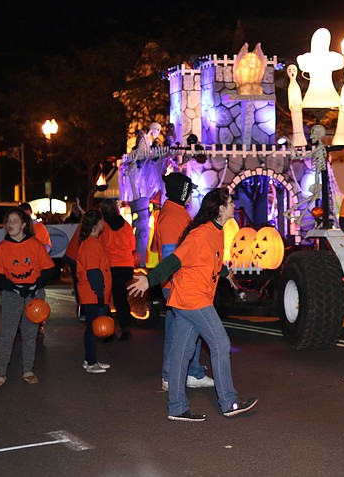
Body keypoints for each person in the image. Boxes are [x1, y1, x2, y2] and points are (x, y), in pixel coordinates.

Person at [128, 188, 257, 421]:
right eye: (229, 203)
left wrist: (227, 275)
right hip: (193, 299)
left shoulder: (217, 231)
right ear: (219, 210)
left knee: (181, 352)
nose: (233, 206)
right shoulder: (200, 235)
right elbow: (174, 260)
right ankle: (229, 402)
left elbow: (212, 261)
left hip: (185, 299)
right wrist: (149, 280)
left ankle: (177, 408)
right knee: (220, 343)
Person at [151, 172, 214, 391]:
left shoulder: (175, 212)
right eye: (190, 190)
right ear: (183, 191)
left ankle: (190, 373)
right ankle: (173, 375)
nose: (192, 195)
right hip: (177, 284)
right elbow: (170, 255)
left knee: (185, 330)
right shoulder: (172, 216)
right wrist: (179, 284)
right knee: (183, 330)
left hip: (177, 284)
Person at [0, 208, 55, 391]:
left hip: (34, 295)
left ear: (24, 224)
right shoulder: (2, 248)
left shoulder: (35, 244)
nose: (10, 224)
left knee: (30, 333)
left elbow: (48, 269)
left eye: (15, 221)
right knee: (8, 334)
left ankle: (28, 370)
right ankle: (0, 374)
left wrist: (35, 285)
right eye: (8, 221)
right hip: (12, 295)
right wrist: (14, 287)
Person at [76, 210, 112, 373]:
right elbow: (94, 272)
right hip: (94, 294)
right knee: (93, 328)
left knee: (92, 328)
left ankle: (89, 360)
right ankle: (91, 363)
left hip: (92, 294)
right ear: (98, 224)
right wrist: (99, 296)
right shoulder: (91, 244)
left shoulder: (91, 242)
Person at [99, 198, 136, 340]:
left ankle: (108, 331)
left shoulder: (103, 226)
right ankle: (126, 328)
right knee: (121, 299)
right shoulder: (126, 225)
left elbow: (100, 247)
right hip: (126, 267)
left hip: (110, 267)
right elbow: (132, 246)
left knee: (106, 299)